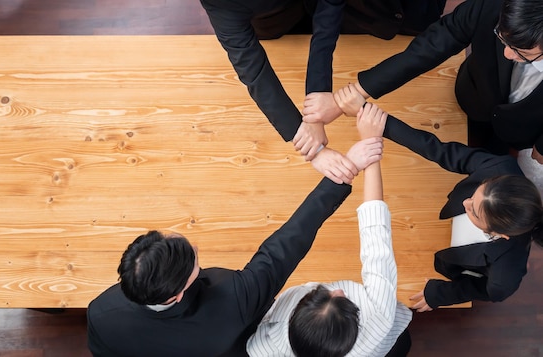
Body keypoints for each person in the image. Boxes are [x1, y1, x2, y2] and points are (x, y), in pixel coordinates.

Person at [86, 138, 384, 356]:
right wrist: (348, 168)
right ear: (176, 295)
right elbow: (287, 245)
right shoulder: (233, 300)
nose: (196, 245)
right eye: (195, 264)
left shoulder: (99, 313)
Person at [199, 0, 445, 184]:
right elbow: (252, 69)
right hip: (276, 15)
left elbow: (329, 10)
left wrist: (318, 102)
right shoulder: (221, 3)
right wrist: (310, 140)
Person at [313, 0, 543, 192]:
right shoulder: (495, 6)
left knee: (497, 157)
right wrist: (358, 90)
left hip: (522, 129)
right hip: (474, 95)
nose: (506, 53)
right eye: (503, 39)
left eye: (522, 52)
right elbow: (437, 41)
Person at [246, 103, 413, 357]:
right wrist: (370, 145)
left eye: (320, 294)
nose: (339, 290)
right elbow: (375, 235)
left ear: (293, 320)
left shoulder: (262, 347)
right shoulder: (378, 313)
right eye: (343, 300)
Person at [374, 101, 543, 311]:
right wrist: (382, 125)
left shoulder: (506, 273)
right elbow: (439, 150)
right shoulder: (499, 166)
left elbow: (490, 291)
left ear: (500, 234)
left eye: (475, 212)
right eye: (477, 192)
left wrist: (441, 295)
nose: (466, 202)